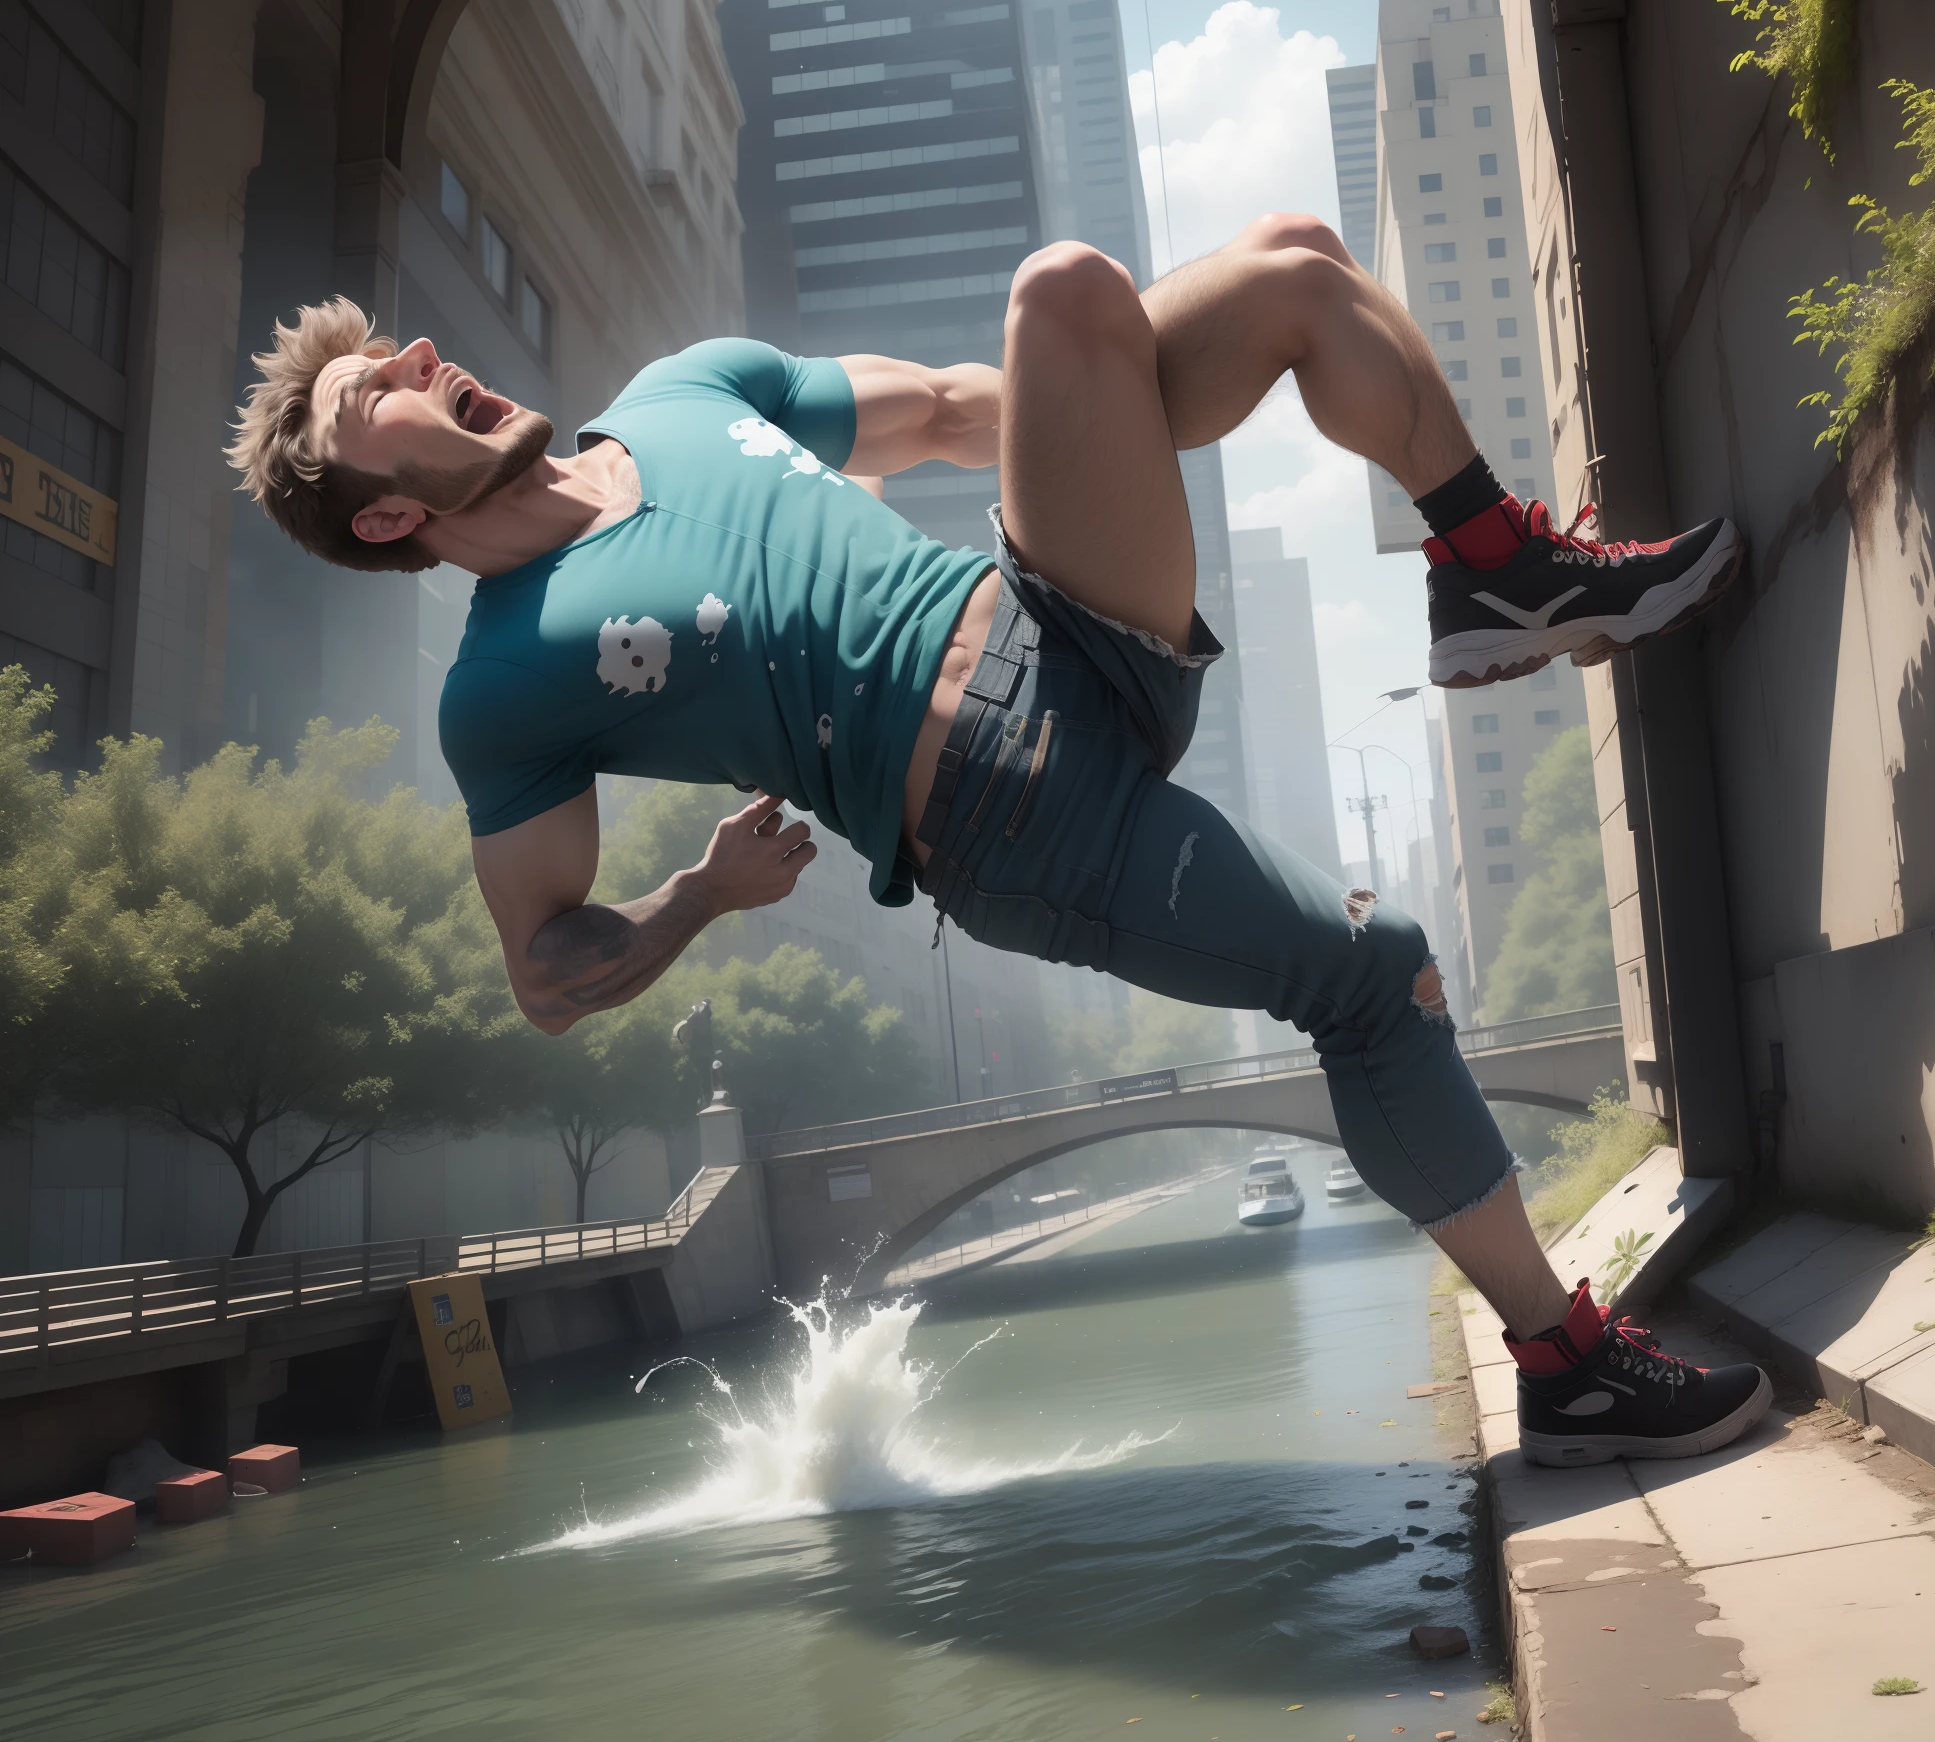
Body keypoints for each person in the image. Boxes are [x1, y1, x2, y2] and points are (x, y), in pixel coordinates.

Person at [228, 213, 1767, 1466]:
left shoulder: (690, 391)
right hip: (1011, 816)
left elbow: (969, 410)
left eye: (400, 350)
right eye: (380, 394)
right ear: (384, 520)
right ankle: (1565, 1362)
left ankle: (1492, 569)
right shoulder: (502, 688)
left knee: (1212, 279)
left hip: (1066, 613)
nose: (423, 356)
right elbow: (545, 974)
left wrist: (1113, 386)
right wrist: (697, 896)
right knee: (1376, 973)